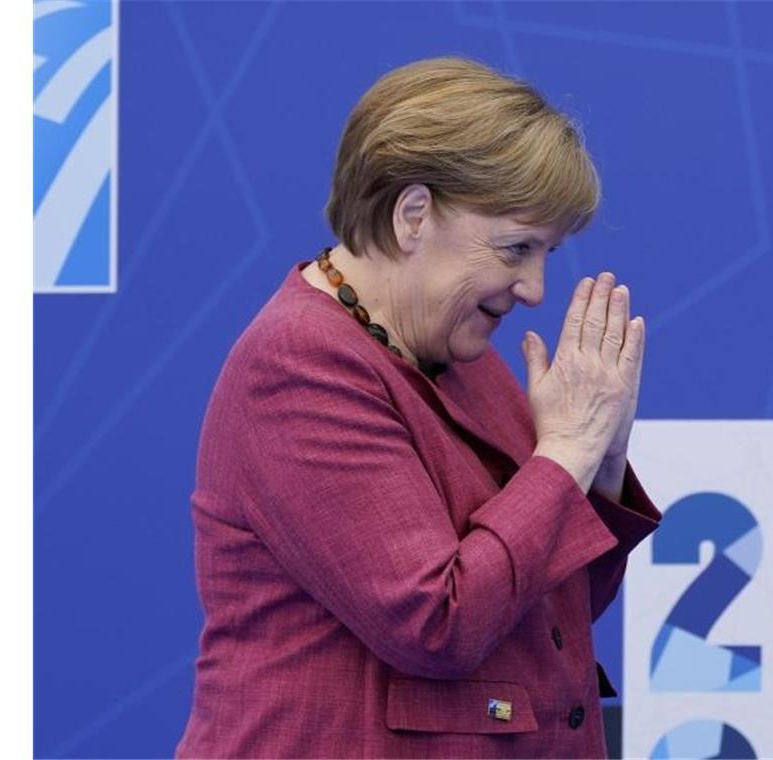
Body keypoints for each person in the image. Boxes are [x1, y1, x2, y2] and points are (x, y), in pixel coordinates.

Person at [176, 56, 661, 758]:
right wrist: (565, 453)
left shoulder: (462, 359)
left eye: (548, 252)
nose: (534, 288)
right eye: (516, 247)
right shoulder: (297, 366)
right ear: (412, 216)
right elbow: (438, 623)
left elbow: (549, 611)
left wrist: (602, 461)